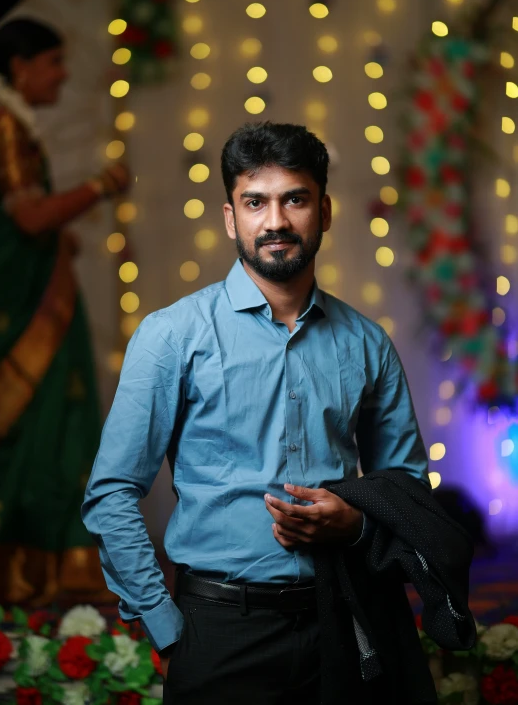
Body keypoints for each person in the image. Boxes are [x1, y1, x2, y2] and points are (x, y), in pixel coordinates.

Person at [82, 122, 431, 703]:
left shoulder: (367, 342)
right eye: (255, 202)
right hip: (219, 629)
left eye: (294, 199)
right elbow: (112, 491)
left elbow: (409, 489)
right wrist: (166, 631)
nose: (275, 221)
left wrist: (356, 523)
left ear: (324, 210)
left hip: (343, 619)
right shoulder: (173, 335)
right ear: (230, 217)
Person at [0, 17, 130, 605]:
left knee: (54, 426)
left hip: (37, 293)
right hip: (24, 313)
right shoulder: (4, 122)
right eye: (53, 61)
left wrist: (58, 240)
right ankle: (31, 578)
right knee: (38, 432)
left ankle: (43, 573)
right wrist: (100, 187)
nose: (63, 73)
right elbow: (26, 218)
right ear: (20, 68)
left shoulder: (13, 122)